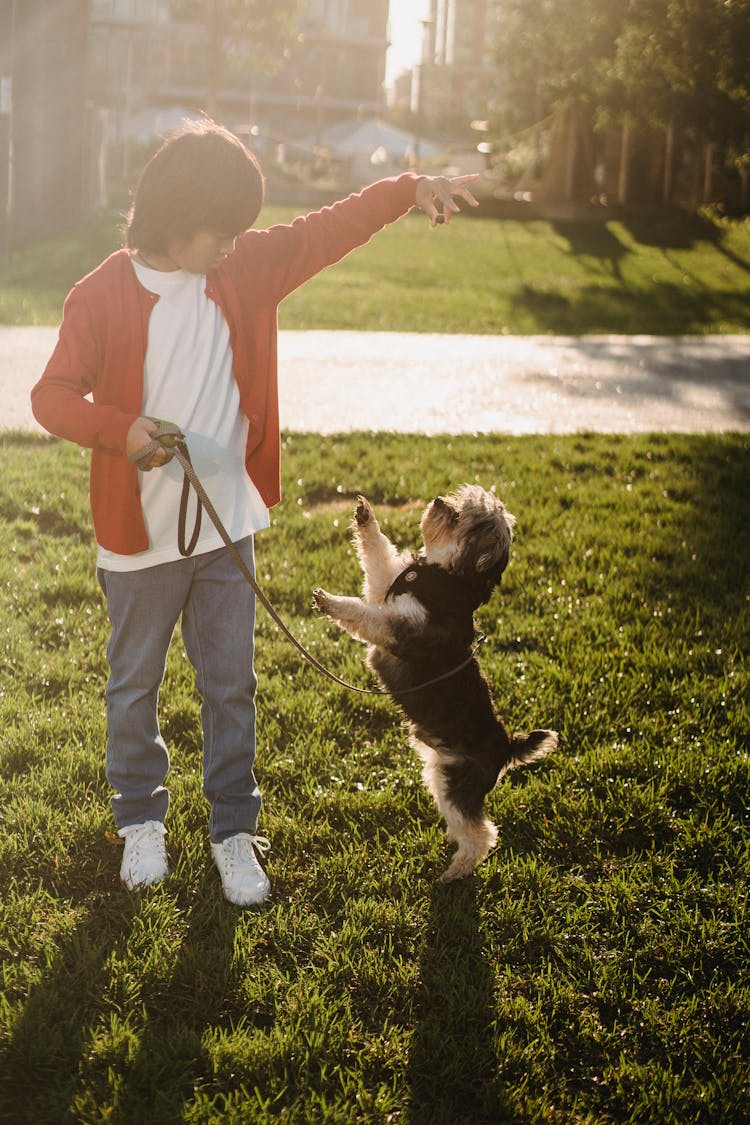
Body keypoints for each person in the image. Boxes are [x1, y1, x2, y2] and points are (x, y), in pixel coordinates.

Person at [31, 119, 479, 907]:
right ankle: (141, 819)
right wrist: (122, 430)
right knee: (133, 687)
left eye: (242, 229)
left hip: (225, 528)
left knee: (230, 685)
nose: (234, 244)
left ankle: (234, 829)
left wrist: (409, 189)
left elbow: (331, 227)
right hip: (138, 543)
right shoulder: (99, 294)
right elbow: (51, 398)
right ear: (175, 215)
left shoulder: (246, 270)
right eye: (221, 228)